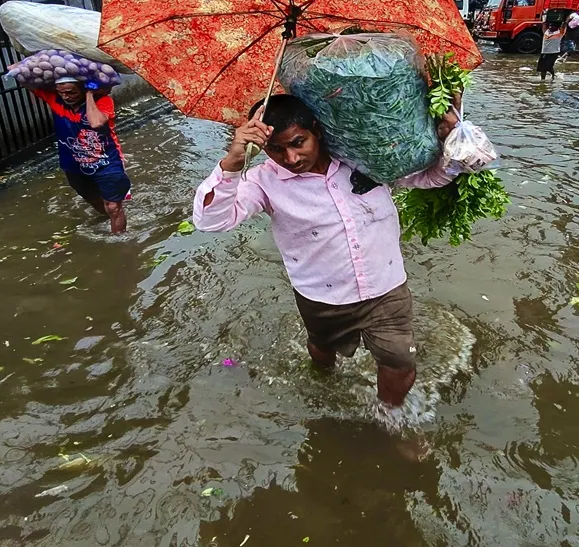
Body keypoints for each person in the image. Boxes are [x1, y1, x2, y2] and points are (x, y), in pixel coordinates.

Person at [192, 93, 461, 409]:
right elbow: (211, 221)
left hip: (386, 286)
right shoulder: (262, 181)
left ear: (316, 130)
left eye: (298, 143)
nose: (291, 158)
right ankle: (321, 367)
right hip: (322, 296)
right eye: (276, 149)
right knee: (323, 350)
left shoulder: (363, 157)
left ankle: (391, 418)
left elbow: (433, 176)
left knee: (400, 360)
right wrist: (233, 162)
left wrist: (452, 140)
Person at [34, 77, 131, 233]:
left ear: (83, 89)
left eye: (71, 92)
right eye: (62, 93)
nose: (66, 97)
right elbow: (20, 77)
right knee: (92, 199)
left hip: (107, 162)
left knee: (113, 207)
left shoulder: (103, 101)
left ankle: (119, 240)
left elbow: (96, 122)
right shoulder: (56, 101)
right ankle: (110, 217)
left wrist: (90, 94)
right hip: (74, 164)